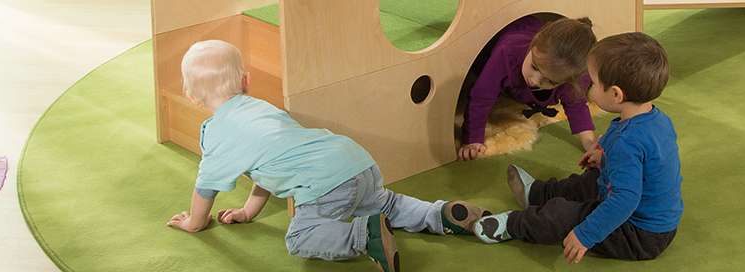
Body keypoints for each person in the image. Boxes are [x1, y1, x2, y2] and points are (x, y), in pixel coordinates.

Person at [165, 40, 489, 272]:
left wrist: (195, 222)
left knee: (300, 237)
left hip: (325, 183)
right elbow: (266, 169)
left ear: (193, 97)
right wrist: (249, 212)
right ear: (246, 82)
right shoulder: (259, 107)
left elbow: (205, 187)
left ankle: (364, 235)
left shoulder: (217, 132)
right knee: (387, 203)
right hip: (356, 160)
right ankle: (442, 214)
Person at [470, 32, 680, 263]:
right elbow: (648, 164)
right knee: (588, 182)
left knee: (565, 215)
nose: (588, 87)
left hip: (637, 234)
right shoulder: (655, 118)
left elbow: (625, 201)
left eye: (595, 83)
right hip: (649, 220)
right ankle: (537, 193)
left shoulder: (626, 141)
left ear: (616, 94)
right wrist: (605, 159)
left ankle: (514, 225)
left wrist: (585, 235)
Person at [458, 16, 598, 161]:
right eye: (534, 67)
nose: (534, 80)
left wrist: (588, 142)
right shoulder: (506, 54)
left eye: (550, 81)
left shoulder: (574, 76)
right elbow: (481, 96)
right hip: (506, 29)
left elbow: (577, 107)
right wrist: (472, 139)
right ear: (533, 45)